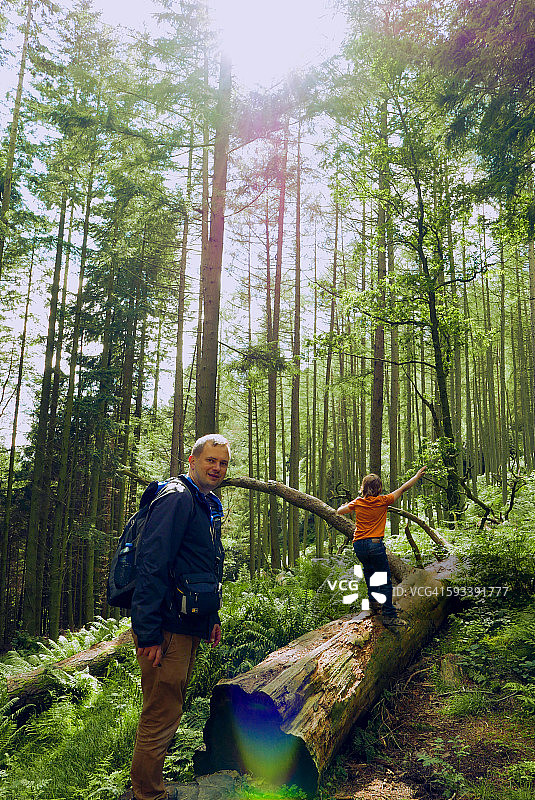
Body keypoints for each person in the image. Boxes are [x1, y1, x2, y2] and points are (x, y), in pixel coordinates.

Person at [130, 434, 230, 800]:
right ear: (192, 460)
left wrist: (211, 617)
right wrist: (148, 632)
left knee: (167, 707)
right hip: (166, 628)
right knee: (161, 711)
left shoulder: (202, 502)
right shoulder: (177, 497)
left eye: (222, 463)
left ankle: (149, 786)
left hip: (186, 624)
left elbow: (201, 567)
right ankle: (148, 793)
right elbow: (151, 563)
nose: (216, 468)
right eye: (210, 460)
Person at [336, 467, 426, 632]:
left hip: (359, 545)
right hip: (375, 544)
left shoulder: (357, 502)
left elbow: (339, 511)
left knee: (369, 572)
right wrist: (416, 476)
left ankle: (374, 603)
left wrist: (346, 505)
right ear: (379, 488)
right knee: (384, 579)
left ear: (363, 488)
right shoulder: (383, 500)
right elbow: (403, 488)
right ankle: (389, 616)